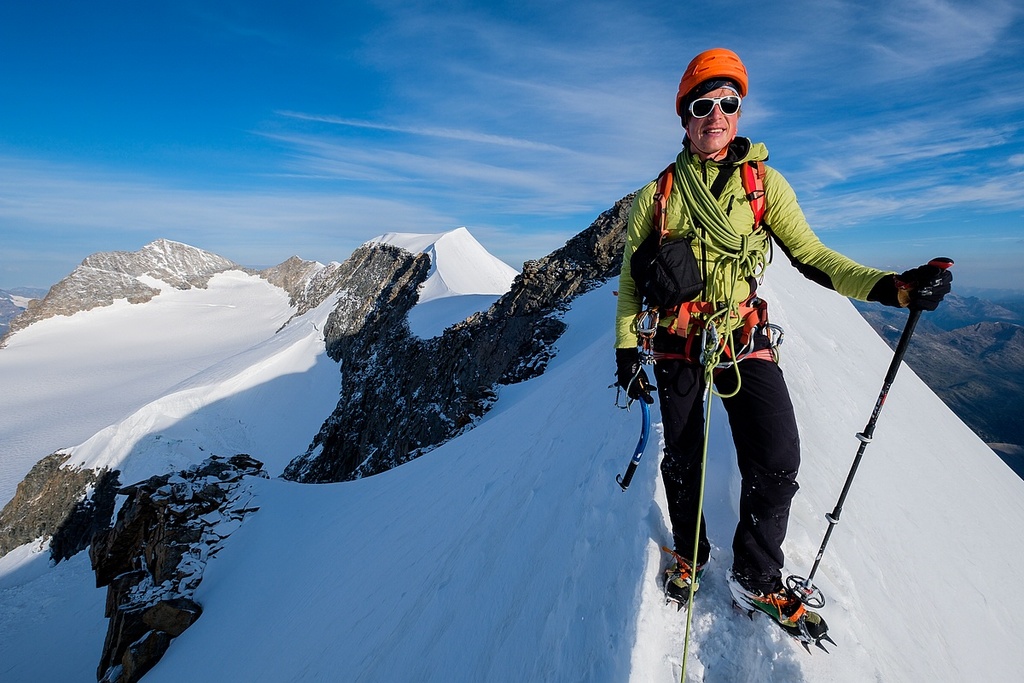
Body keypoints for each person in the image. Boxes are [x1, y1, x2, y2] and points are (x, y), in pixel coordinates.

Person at [614, 48, 951, 636]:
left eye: (728, 103)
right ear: (684, 116)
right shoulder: (657, 195)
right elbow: (627, 285)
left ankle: (757, 571)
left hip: (741, 335)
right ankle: (691, 554)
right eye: (703, 104)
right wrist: (625, 352)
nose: (716, 114)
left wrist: (893, 289)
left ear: (739, 113)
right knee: (684, 458)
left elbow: (815, 258)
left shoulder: (763, 186)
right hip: (678, 341)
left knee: (777, 457)